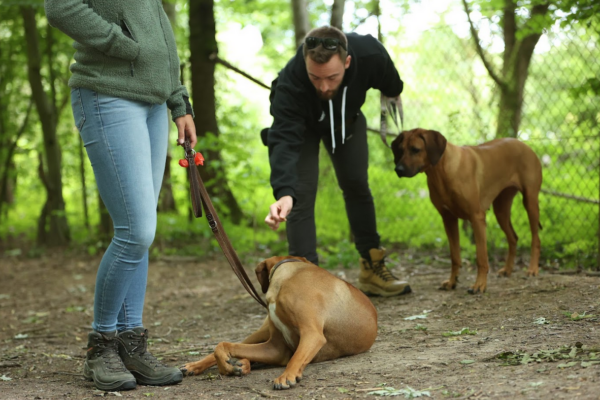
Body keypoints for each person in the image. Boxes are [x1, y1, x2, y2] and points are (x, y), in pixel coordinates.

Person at [44, 0, 196, 391]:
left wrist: (179, 100)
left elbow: (160, 29)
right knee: (137, 230)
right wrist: (122, 45)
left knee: (140, 234)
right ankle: (101, 348)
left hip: (153, 103)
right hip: (108, 93)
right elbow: (60, 7)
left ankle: (131, 344)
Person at [263, 26, 411, 297]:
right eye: (315, 78)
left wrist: (392, 92)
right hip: (304, 130)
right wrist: (284, 192)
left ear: (347, 62)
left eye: (332, 77)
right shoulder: (290, 84)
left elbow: (391, 81)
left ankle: (372, 269)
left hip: (347, 122)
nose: (323, 86)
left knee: (356, 184)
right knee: (300, 197)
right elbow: (284, 141)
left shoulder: (369, 54)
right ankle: (306, 285)